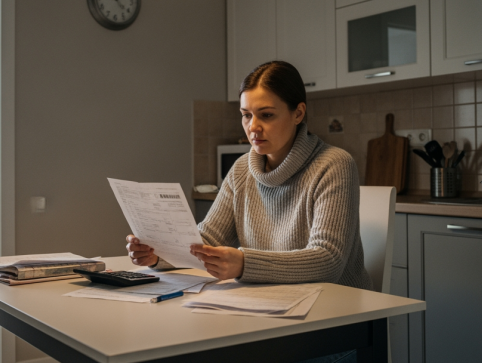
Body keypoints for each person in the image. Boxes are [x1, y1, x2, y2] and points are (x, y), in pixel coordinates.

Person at [125, 61, 371, 362]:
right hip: (267, 316)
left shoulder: (334, 165)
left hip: (330, 325)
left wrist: (243, 264)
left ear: (298, 113)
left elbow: (327, 260)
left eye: (266, 115)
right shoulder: (243, 168)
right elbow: (208, 237)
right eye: (246, 115)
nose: (253, 127)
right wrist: (159, 253)